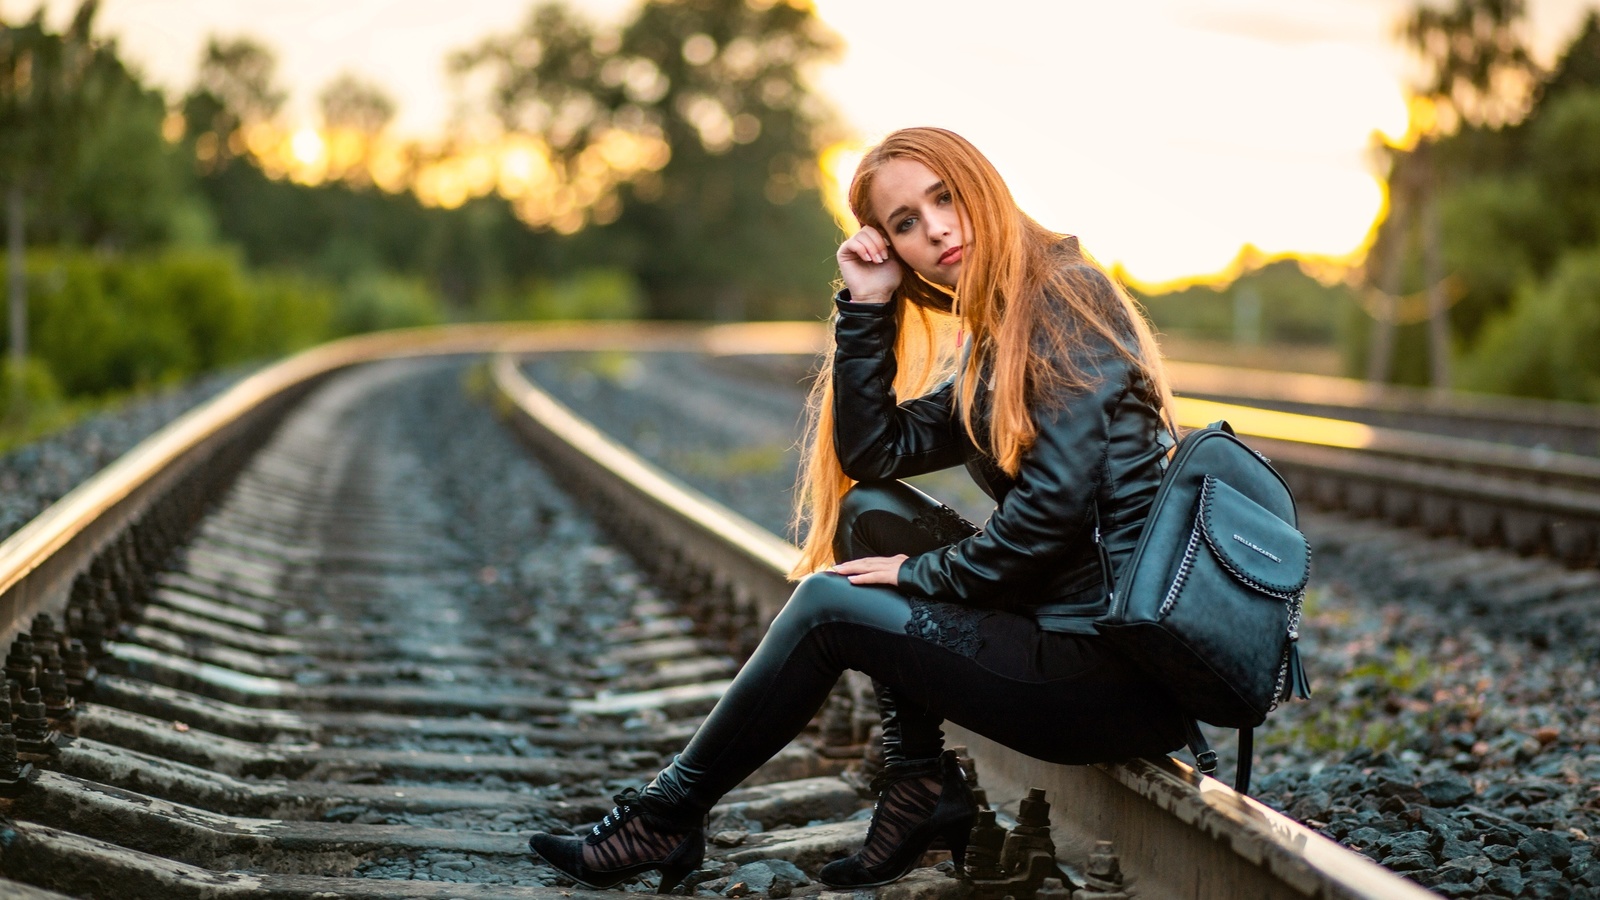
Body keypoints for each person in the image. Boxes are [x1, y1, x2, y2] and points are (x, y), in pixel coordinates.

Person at [527, 126, 1190, 892]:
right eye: (905, 221)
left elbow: (1053, 514)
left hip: (1111, 672)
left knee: (829, 606)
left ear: (983, 187)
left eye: (944, 198)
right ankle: (918, 785)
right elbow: (875, 454)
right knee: (869, 511)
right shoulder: (999, 328)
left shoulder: (1064, 298)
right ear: (893, 247)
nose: (935, 227)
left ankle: (667, 816)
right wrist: (867, 307)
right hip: (1069, 632)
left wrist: (923, 571)